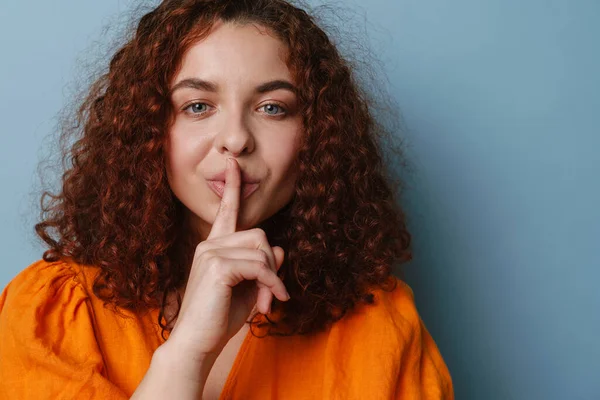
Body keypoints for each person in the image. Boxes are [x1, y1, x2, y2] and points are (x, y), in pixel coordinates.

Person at [0, 0, 454, 398]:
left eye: (272, 107)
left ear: (316, 137)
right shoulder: (55, 312)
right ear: (148, 130)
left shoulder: (380, 326)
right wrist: (189, 350)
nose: (236, 139)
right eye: (198, 106)